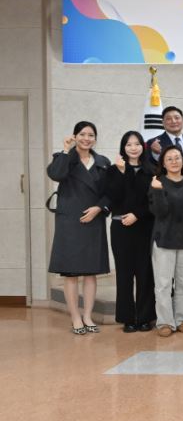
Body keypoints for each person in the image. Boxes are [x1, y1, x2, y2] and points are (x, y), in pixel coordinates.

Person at [47, 121, 111, 335]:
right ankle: (75, 317)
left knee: (91, 273)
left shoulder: (102, 162)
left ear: (95, 139)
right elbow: (56, 175)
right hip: (70, 221)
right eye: (82, 134)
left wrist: (99, 208)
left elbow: (110, 191)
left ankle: (87, 316)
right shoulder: (64, 158)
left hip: (94, 220)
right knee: (71, 273)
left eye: (91, 135)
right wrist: (65, 150)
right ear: (74, 136)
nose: (86, 138)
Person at [105, 131, 155, 333]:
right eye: (129, 144)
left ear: (143, 146)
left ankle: (145, 317)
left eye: (137, 144)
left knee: (145, 273)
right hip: (120, 227)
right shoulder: (113, 170)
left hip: (144, 226)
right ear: (123, 148)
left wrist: (137, 214)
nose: (133, 148)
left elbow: (152, 201)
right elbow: (113, 197)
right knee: (124, 274)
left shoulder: (152, 170)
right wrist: (122, 172)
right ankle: (127, 318)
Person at [149, 146, 183, 337]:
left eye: (177, 157)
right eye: (169, 158)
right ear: (163, 163)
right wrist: (157, 191)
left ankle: (182, 320)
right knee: (163, 284)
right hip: (164, 239)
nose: (174, 161)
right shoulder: (157, 182)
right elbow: (159, 212)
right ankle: (164, 322)